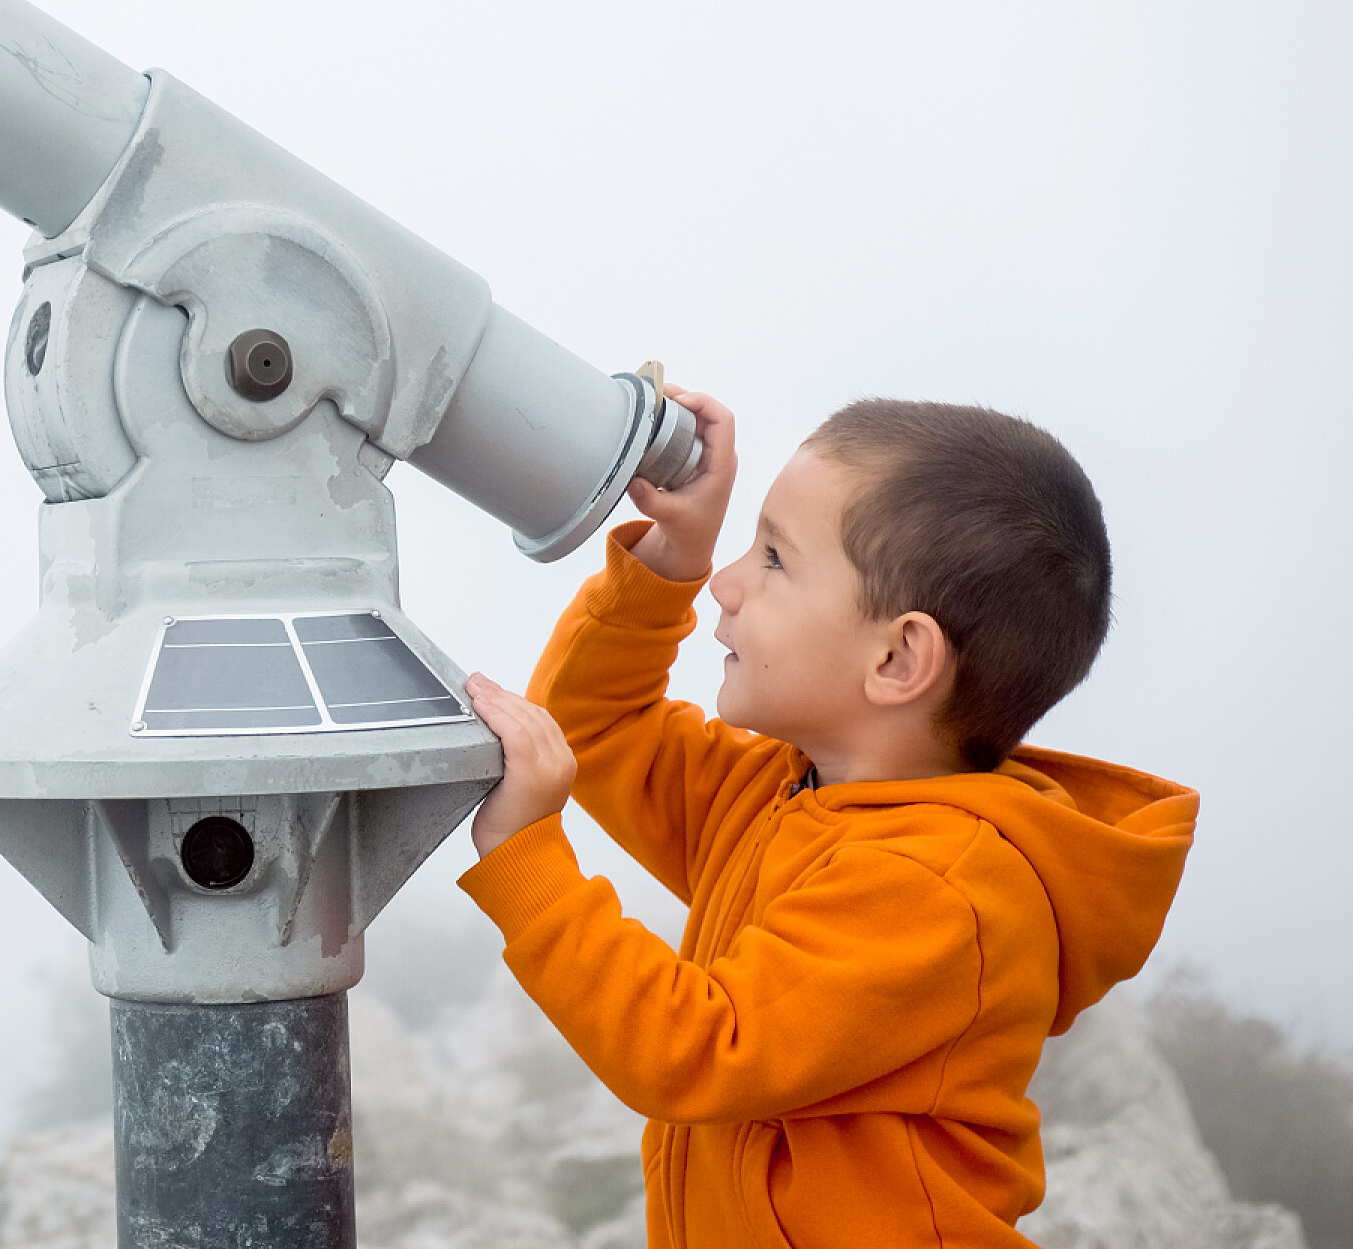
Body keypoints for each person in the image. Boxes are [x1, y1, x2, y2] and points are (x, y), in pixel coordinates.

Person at [458, 390, 1197, 1249]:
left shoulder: (939, 887)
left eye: (774, 559)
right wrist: (671, 558)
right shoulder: (785, 792)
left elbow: (700, 1049)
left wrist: (526, 860)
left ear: (897, 658)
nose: (728, 584)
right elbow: (595, 724)